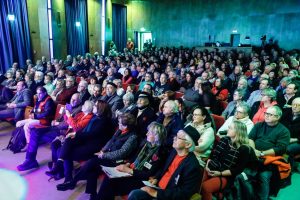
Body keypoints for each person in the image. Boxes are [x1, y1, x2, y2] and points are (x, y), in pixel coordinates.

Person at [56, 113, 138, 198]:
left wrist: (104, 155)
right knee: (92, 168)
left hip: (117, 162)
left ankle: (72, 182)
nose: (118, 124)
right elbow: (111, 141)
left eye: (120, 123)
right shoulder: (120, 130)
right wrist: (102, 150)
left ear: (126, 126)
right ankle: (92, 193)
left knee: (92, 162)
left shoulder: (133, 137)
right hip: (107, 156)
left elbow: (121, 153)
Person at [96, 122, 167, 200]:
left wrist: (129, 170)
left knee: (110, 184)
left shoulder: (161, 152)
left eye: (150, 133)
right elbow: (135, 157)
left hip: (141, 179)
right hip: (132, 170)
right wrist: (128, 164)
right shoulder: (146, 143)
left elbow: (148, 174)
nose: (146, 134)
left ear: (157, 136)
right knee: (108, 179)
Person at [128, 126, 202, 200]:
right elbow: (163, 168)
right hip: (158, 187)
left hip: (167, 195)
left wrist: (156, 193)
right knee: (134, 192)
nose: (174, 138)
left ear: (188, 145)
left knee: (135, 195)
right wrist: (156, 178)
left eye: (178, 137)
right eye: (176, 135)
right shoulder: (173, 152)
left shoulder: (193, 166)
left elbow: (184, 193)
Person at [46, 100, 114, 182]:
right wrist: (74, 134)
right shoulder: (95, 117)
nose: (94, 107)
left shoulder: (104, 121)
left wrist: (76, 135)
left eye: (95, 106)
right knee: (67, 142)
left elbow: (92, 134)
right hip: (86, 140)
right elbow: (84, 131)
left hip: (92, 146)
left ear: (100, 108)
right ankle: (61, 168)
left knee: (64, 151)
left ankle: (65, 175)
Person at [201, 121, 257, 200]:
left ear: (238, 132)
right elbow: (213, 154)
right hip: (213, 167)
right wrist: (207, 166)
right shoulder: (225, 139)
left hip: (228, 176)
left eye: (230, 128)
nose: (228, 129)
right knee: (197, 181)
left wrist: (219, 173)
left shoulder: (244, 149)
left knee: (205, 187)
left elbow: (237, 170)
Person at [249, 106, 290, 199]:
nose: (266, 116)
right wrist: (254, 150)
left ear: (278, 117)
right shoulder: (259, 125)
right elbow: (250, 138)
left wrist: (262, 153)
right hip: (254, 154)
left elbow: (280, 149)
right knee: (240, 169)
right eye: (266, 113)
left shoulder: (284, 131)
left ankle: (264, 197)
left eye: (270, 114)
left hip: (270, 159)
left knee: (264, 176)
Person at [15, 86, 55, 151]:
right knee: (18, 123)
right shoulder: (39, 99)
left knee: (27, 126)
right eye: (37, 93)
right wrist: (32, 112)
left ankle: (28, 144)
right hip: (36, 119)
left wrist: (35, 116)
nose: (38, 95)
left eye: (40, 93)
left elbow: (47, 113)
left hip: (44, 121)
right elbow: (35, 108)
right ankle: (21, 140)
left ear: (45, 93)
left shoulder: (49, 101)